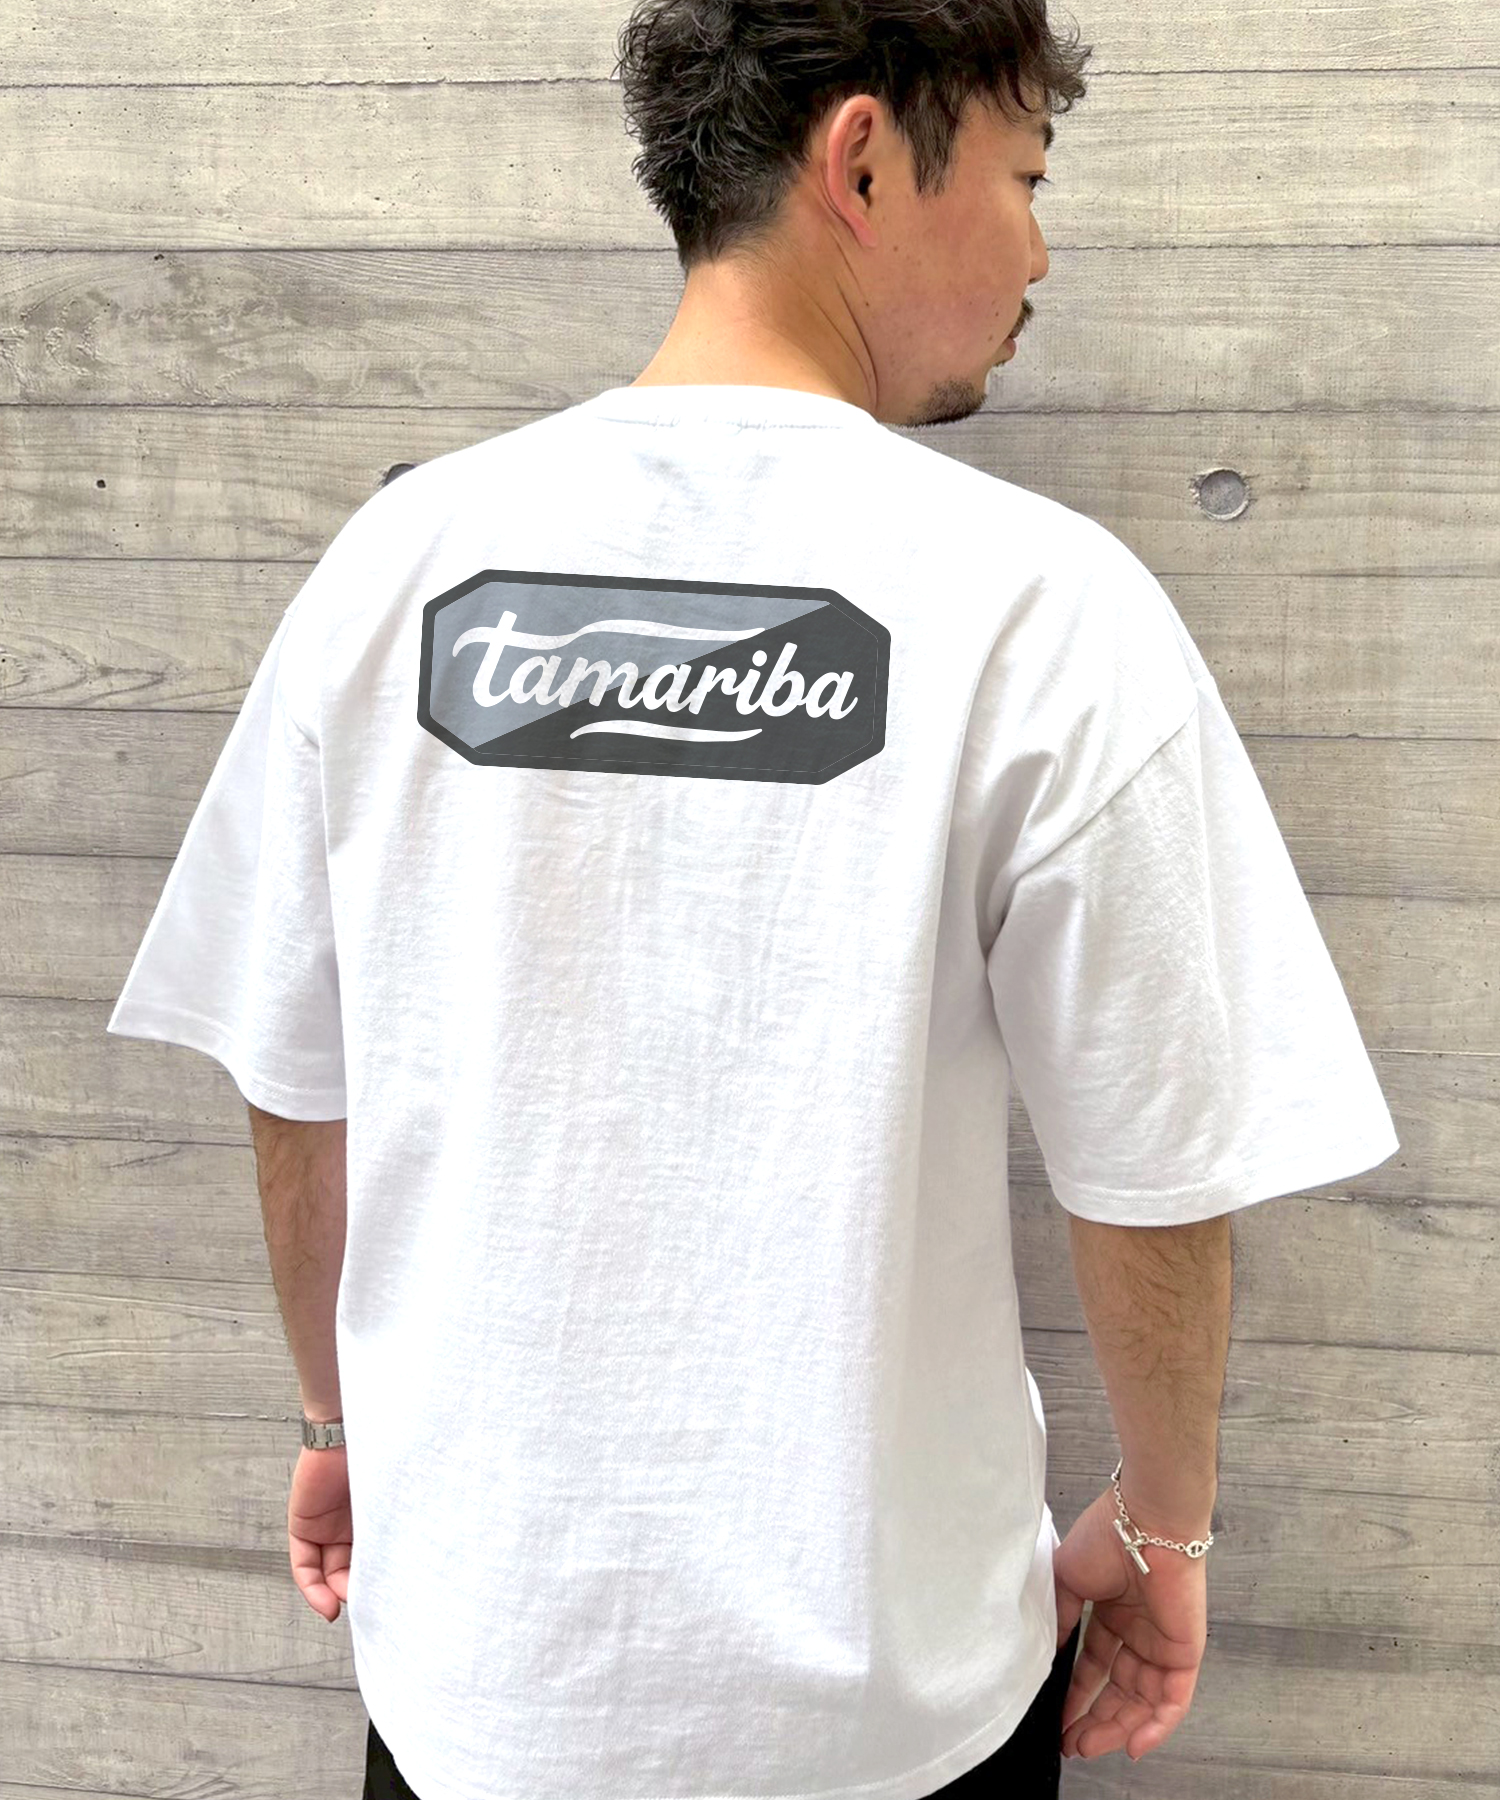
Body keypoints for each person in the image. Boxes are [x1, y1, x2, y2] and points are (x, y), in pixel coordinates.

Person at [105, 3, 1401, 1797]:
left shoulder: (399, 566)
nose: (1040, 254)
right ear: (862, 159)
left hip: (483, 1679)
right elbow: (1156, 1167)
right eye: (1026, 180)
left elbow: (294, 1080)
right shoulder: (1038, 604)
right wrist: (1164, 1529)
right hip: (887, 1712)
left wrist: (336, 1418)